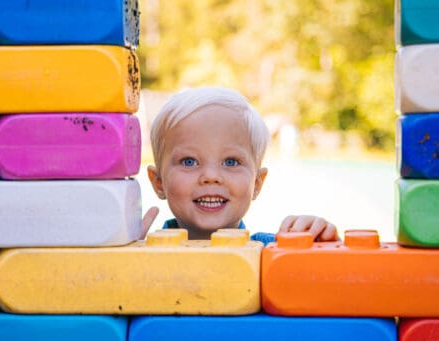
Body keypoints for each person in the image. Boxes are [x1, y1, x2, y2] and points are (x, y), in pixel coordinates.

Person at [140, 86, 338, 245]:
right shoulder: (139, 253)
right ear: (158, 182)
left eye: (230, 162)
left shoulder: (274, 251)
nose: (210, 176)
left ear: (257, 183)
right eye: (189, 161)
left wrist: (322, 249)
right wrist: (120, 258)